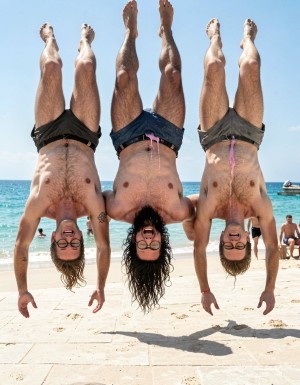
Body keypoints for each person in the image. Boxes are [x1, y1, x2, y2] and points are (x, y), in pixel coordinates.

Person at [183, 19, 278, 316]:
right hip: (250, 134)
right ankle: (248, 36)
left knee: (215, 65)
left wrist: (205, 290)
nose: (235, 241)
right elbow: (274, 249)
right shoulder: (260, 206)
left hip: (212, 134)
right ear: (248, 243)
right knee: (250, 64)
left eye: (229, 246)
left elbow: (198, 249)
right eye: (239, 246)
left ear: (221, 240)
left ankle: (214, 36)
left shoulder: (209, 210)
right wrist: (270, 288)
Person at [104, 0, 195, 312]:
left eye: (142, 245)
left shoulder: (115, 209)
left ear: (132, 244)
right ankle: (166, 29)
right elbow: (206, 208)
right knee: (172, 74)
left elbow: (89, 207)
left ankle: (130, 31)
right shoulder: (178, 211)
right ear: (162, 243)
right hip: (169, 137)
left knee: (124, 76)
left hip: (127, 136)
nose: (148, 239)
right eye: (154, 246)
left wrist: (98, 222)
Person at [14, 23, 110, 318]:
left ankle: (49, 38)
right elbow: (105, 248)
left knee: (53, 66)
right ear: (82, 238)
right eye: (75, 243)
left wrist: (22, 289)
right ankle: (84, 39)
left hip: (48, 133)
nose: (69, 238)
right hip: (85, 135)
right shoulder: (93, 208)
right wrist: (101, 287)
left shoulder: (38, 205)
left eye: (64, 243)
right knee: (86, 65)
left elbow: (21, 247)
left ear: (53, 240)